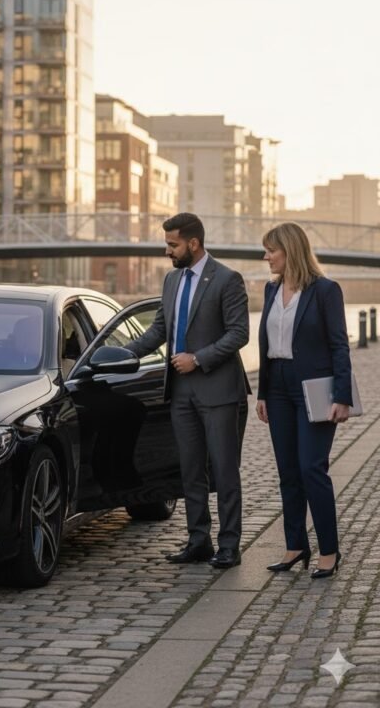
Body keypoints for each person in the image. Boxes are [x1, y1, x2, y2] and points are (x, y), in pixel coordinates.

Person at [126, 213, 250, 568]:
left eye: (172, 244)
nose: (168, 251)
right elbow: (157, 332)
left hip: (219, 392)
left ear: (193, 244)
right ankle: (199, 542)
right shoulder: (171, 280)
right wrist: (123, 353)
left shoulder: (227, 279)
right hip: (179, 392)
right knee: (190, 471)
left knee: (225, 471)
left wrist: (198, 358)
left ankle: (230, 545)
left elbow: (239, 333)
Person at [256, 222, 353, 579]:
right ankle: (296, 546)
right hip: (278, 388)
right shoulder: (271, 290)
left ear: (291, 251)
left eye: (271, 251)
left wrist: (342, 396)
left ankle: (329, 550)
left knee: (312, 468)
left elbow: (339, 344)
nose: (266, 257)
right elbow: (266, 347)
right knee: (288, 472)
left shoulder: (325, 290)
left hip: (314, 387)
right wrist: (264, 393)